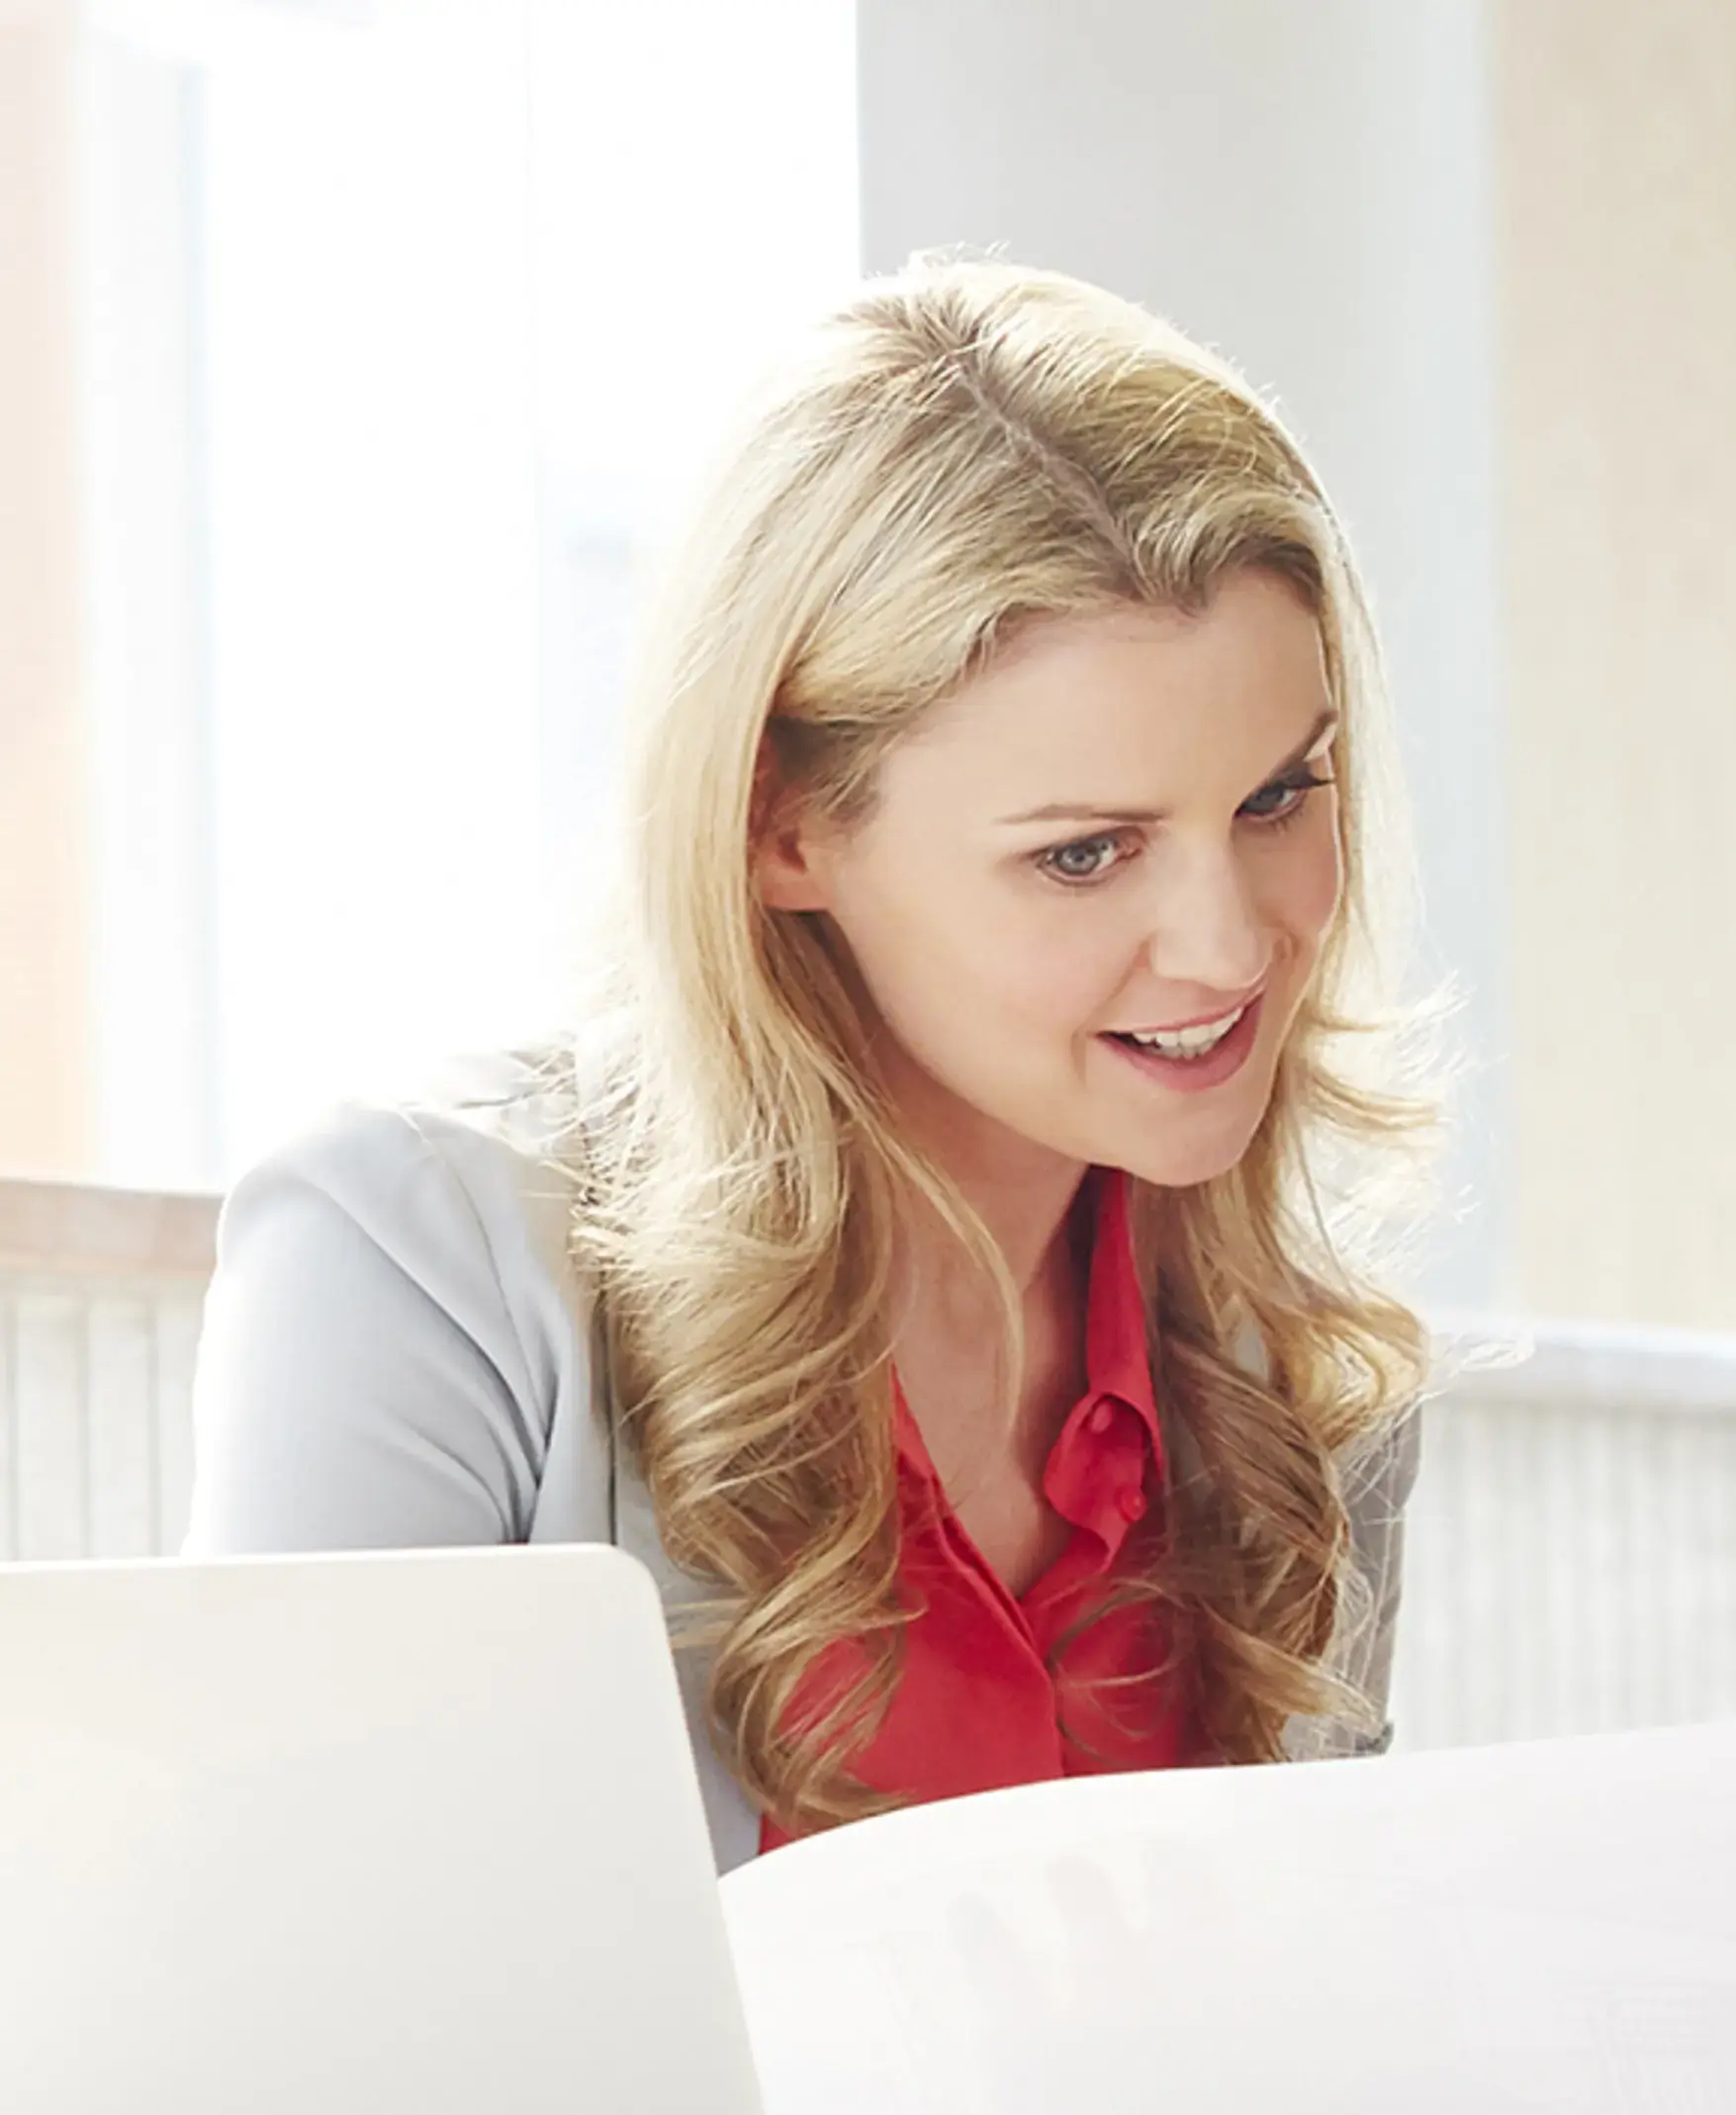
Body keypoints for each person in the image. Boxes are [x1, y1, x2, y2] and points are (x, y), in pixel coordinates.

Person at [184, 259, 1435, 1870]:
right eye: (1084, 854)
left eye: (1277, 797)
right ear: (782, 825)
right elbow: (288, 1996)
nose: (1228, 943)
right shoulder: (415, 1269)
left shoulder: (1307, 1392)